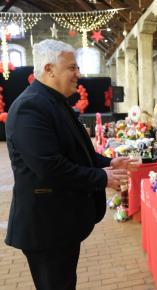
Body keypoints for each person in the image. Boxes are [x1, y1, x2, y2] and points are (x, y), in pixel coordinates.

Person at [5, 39, 136, 290]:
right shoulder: (30, 107)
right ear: (49, 69)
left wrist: (109, 162)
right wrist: (102, 177)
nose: (78, 74)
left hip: (59, 223)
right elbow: (49, 167)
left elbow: (76, 153)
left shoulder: (54, 102)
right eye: (72, 67)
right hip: (46, 227)